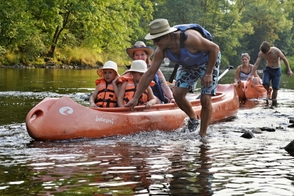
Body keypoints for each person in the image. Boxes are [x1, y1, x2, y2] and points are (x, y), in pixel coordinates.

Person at [125, 18, 221, 138]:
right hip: (188, 65)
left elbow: (215, 48)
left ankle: (202, 135)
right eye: (153, 39)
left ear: (167, 36)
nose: (155, 43)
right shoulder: (161, 51)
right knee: (178, 94)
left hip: (208, 62)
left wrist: (208, 73)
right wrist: (135, 98)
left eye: (157, 39)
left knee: (205, 99)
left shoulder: (190, 39)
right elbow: (149, 74)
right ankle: (193, 118)